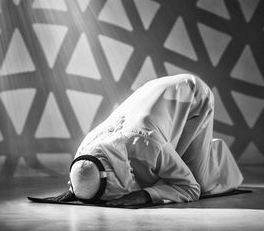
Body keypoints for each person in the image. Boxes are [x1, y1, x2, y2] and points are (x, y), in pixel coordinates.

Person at [53, 74, 243, 207]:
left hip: (193, 97)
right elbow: (87, 172)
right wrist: (81, 188)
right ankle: (191, 154)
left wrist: (147, 195)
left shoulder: (148, 145)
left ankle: (215, 152)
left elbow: (190, 188)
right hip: (151, 91)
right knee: (162, 174)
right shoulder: (84, 150)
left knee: (201, 184)